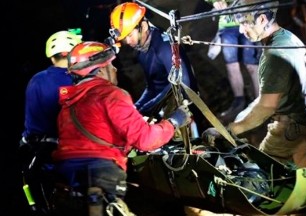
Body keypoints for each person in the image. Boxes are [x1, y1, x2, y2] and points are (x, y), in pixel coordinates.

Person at [52, 41, 192, 215]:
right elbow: (146, 139)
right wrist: (174, 121)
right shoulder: (111, 94)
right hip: (102, 175)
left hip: (66, 180)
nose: (115, 69)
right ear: (100, 70)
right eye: (111, 64)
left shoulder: (67, 107)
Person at [202, 0, 306, 168]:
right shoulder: (287, 37)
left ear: (261, 20)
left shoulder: (274, 56)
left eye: (244, 23)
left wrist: (229, 131)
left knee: (263, 174)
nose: (241, 30)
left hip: (294, 131)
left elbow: (265, 107)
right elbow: (265, 99)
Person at [109, 2, 206, 136]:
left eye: (130, 35)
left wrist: (146, 110)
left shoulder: (164, 47)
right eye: (125, 39)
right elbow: (153, 86)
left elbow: (183, 86)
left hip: (184, 110)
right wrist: (136, 108)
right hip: (163, 109)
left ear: (143, 26)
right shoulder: (142, 48)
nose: (128, 42)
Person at [18, 30, 82, 213]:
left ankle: (39, 208)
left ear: (52, 57)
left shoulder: (37, 81)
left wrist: (26, 139)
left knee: (29, 177)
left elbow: (32, 124)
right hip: (84, 150)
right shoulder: (85, 78)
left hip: (50, 153)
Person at [205, 0, 261, 124]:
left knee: (252, 65)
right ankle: (239, 103)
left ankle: (260, 103)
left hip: (248, 22)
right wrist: (215, 1)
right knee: (232, 66)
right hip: (227, 26)